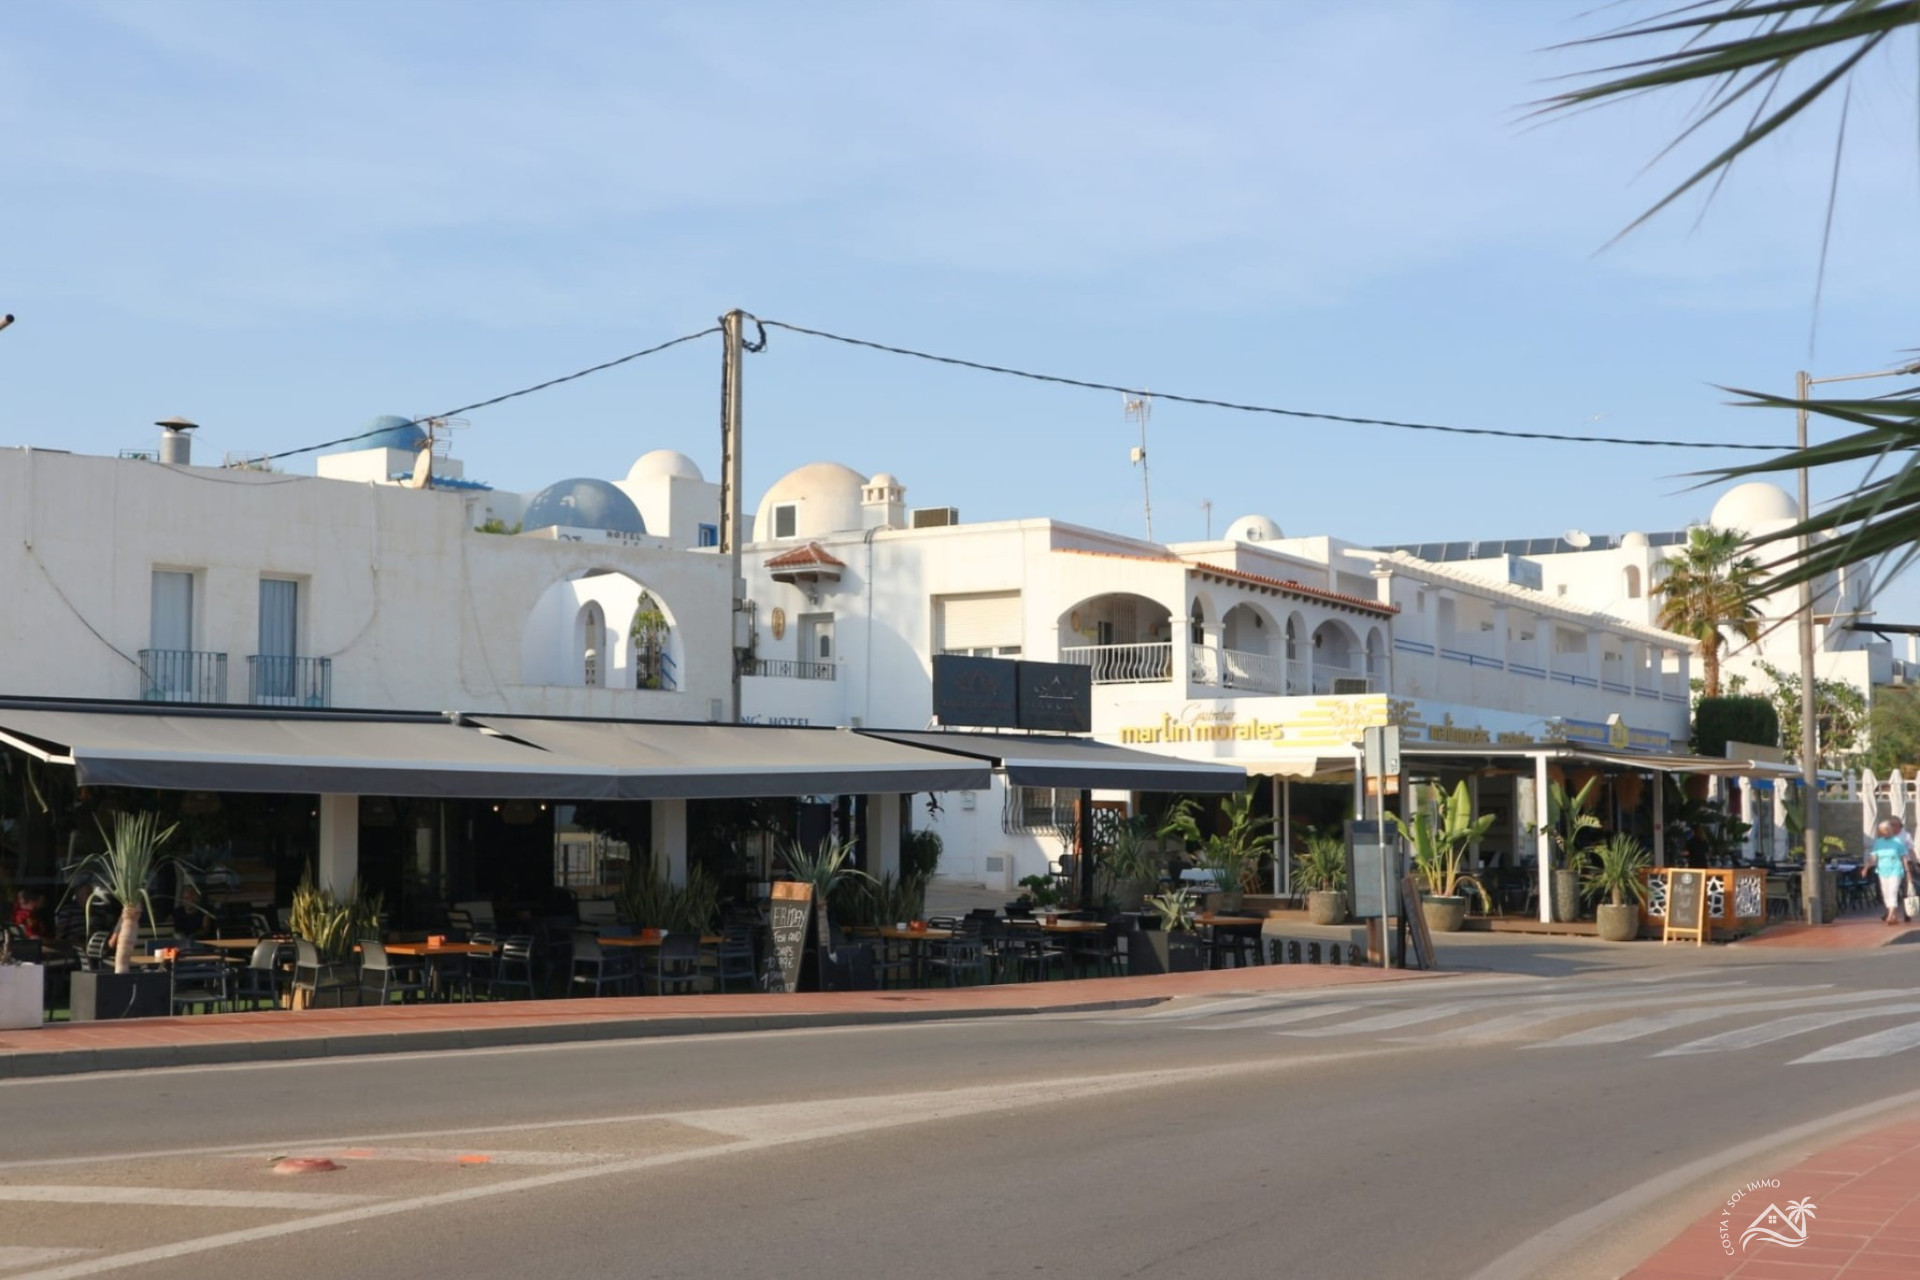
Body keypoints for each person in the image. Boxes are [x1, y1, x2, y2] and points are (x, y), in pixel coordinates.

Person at [1868, 819, 1910, 926]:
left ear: (1889, 830)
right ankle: (1894, 915)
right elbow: (1874, 856)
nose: (1883, 833)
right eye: (1881, 831)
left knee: (1893, 891)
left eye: (1885, 830)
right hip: (1882, 870)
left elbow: (1904, 857)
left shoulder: (1897, 842)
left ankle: (1890, 915)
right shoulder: (1878, 842)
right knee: (1885, 893)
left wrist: (1908, 871)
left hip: (1895, 869)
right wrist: (1866, 867)